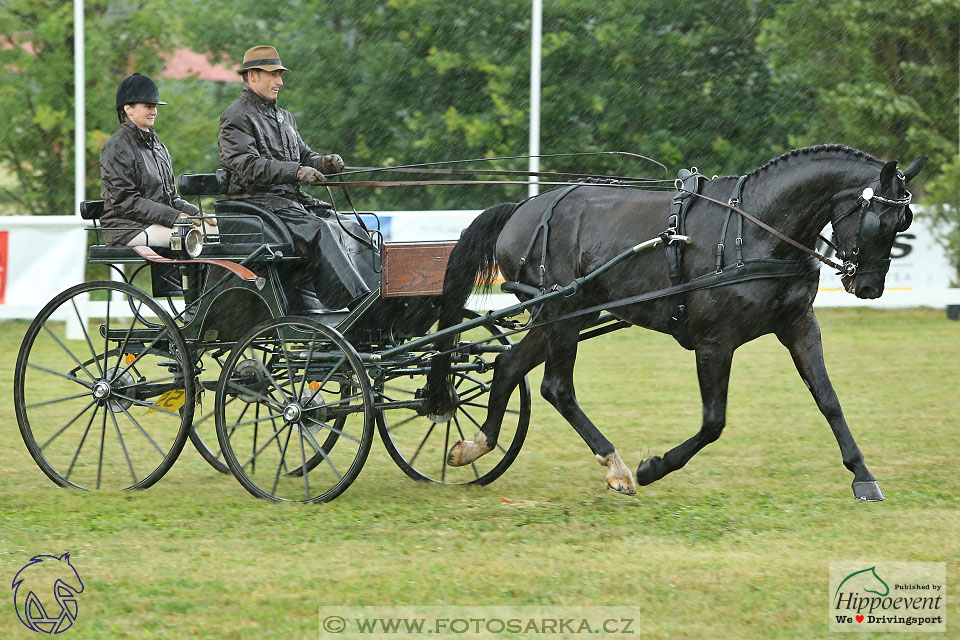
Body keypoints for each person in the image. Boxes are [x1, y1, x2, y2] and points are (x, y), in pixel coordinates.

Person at [218, 45, 377, 312]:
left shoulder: (284, 117)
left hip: (291, 204)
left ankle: (379, 295)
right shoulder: (236, 117)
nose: (280, 81)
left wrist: (323, 163)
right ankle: (356, 305)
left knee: (349, 225)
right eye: (273, 75)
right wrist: (296, 171)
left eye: (280, 75)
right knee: (321, 229)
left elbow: (303, 156)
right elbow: (247, 165)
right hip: (260, 205)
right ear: (253, 75)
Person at [100, 72, 214, 247]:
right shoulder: (116, 147)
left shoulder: (158, 146)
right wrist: (174, 217)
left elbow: (172, 198)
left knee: (215, 231)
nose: (154, 112)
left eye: (155, 106)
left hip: (157, 223)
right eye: (148, 106)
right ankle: (184, 275)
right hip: (126, 228)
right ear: (128, 108)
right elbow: (126, 201)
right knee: (192, 237)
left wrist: (197, 213)